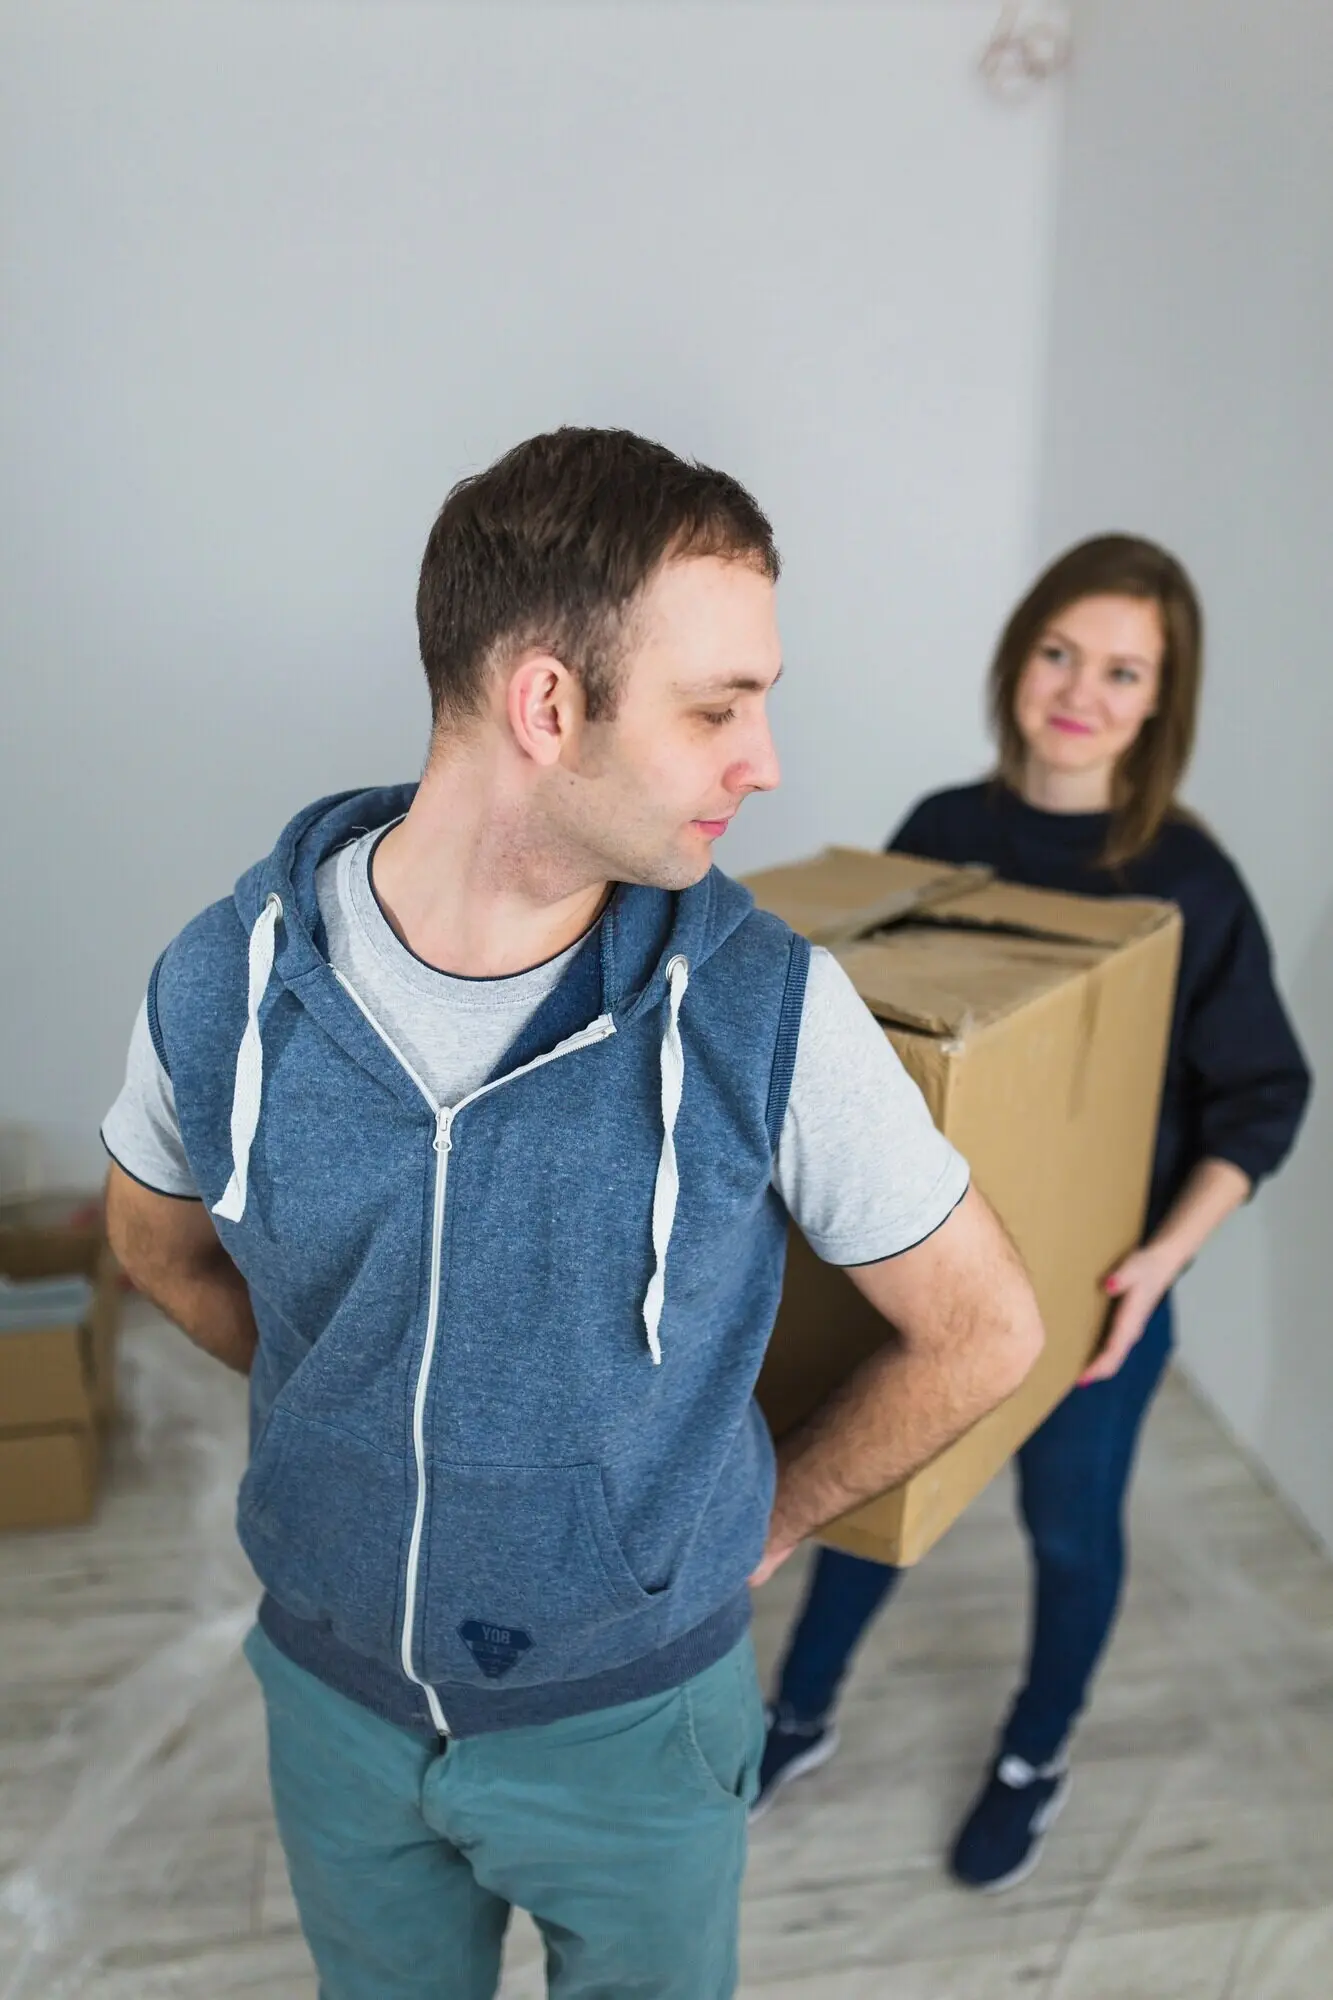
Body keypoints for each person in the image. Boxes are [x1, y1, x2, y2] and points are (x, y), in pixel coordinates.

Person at [100, 427, 1044, 2000]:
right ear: (549, 706)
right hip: (335, 1705)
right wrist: (351, 1410)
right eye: (717, 708)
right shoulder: (224, 980)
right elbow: (153, 1245)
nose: (765, 760)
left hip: (638, 1728)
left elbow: (984, 1329)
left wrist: (769, 1521)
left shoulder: (767, 1010)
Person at [755, 534, 1312, 1893]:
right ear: (1019, 659)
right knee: (872, 1486)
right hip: (926, 1278)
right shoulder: (943, 833)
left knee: (1068, 1533)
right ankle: (801, 1711)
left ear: (1161, 701)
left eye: (1122, 670)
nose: (1080, 691)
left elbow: (1263, 1096)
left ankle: (1034, 1751)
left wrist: (1160, 1264)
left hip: (1102, 1294)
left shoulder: (1188, 881)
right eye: (1060, 653)